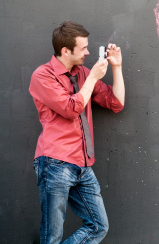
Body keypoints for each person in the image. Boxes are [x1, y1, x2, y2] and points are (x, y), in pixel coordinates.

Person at [29, 21, 125, 243]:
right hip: (55, 163)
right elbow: (71, 108)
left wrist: (116, 67)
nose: (88, 52)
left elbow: (116, 103)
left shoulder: (82, 73)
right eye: (83, 48)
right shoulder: (43, 76)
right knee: (52, 236)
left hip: (83, 165)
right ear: (65, 50)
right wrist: (92, 79)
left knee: (99, 226)